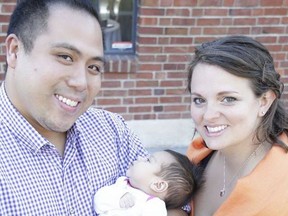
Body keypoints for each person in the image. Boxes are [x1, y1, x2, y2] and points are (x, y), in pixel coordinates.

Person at [0, 0, 149, 215]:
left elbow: (173, 202)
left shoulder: (114, 133)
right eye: (65, 57)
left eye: (94, 67)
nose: (82, 82)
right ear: (14, 51)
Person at [185, 35, 288, 216]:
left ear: (264, 101)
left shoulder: (282, 187)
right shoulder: (197, 156)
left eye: (228, 99)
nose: (208, 115)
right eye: (199, 100)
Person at [94, 150, 203, 216]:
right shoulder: (121, 184)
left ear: (158, 185)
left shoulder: (154, 206)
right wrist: (119, 198)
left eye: (148, 160)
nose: (140, 157)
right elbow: (99, 201)